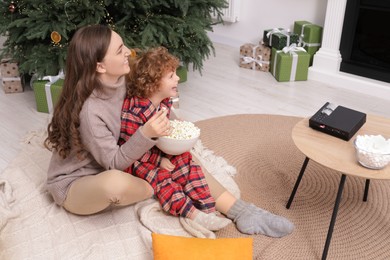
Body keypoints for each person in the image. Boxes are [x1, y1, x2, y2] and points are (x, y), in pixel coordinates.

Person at [44, 24, 294, 238]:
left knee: (183, 157)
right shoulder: (91, 111)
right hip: (83, 182)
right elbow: (113, 163)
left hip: (128, 157)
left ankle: (242, 211)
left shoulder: (123, 77)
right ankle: (168, 193)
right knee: (116, 184)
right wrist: (146, 136)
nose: (128, 52)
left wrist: (166, 127)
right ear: (100, 66)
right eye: (120, 51)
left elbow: (152, 99)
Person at [118, 46, 231, 231]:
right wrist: (159, 160)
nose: (178, 78)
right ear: (153, 83)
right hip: (137, 161)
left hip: (156, 149)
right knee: (162, 178)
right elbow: (131, 150)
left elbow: (165, 130)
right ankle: (192, 214)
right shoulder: (133, 112)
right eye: (171, 76)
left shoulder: (163, 102)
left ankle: (207, 208)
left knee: (187, 160)